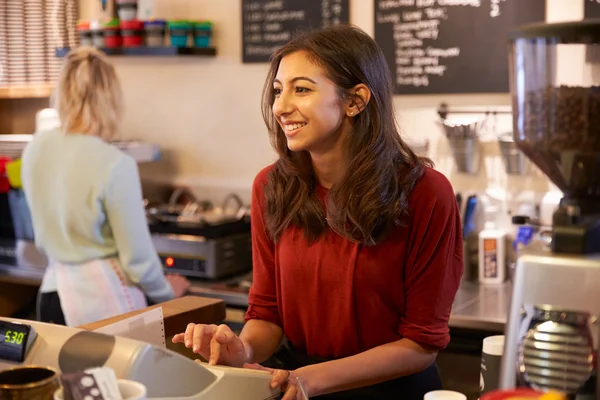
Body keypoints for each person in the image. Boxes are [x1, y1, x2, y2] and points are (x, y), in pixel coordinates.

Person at [173, 25, 463, 399]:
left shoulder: (426, 194)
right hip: (297, 386)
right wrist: (240, 350)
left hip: (392, 391)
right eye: (278, 90)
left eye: (302, 89)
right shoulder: (271, 187)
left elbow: (422, 343)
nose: (280, 106)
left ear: (355, 100)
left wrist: (313, 378)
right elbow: (267, 314)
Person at [21, 46, 190, 327]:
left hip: (51, 295)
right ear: (110, 99)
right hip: (103, 300)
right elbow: (136, 258)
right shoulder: (115, 164)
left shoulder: (36, 148)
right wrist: (166, 292)